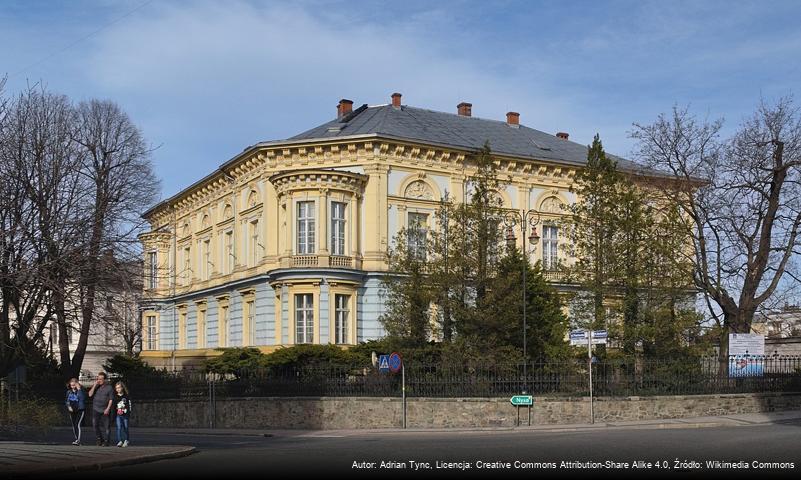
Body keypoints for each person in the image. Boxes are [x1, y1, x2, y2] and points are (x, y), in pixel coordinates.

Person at [87, 372, 114, 446]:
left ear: (105, 379)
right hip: (96, 408)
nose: (99, 380)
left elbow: (111, 399)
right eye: (98, 379)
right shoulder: (96, 386)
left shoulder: (109, 387)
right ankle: (99, 439)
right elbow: (90, 394)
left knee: (107, 427)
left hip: (105, 409)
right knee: (95, 425)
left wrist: (108, 409)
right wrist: (95, 385)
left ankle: (106, 441)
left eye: (101, 379)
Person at [64, 378, 87, 446]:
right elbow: (66, 401)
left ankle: (78, 440)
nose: (73, 387)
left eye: (74, 385)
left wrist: (79, 389)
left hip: (80, 410)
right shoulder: (69, 392)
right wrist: (69, 406)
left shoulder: (81, 391)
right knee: (74, 425)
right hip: (72, 411)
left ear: (77, 384)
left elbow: (82, 399)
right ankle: (76, 439)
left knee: (77, 424)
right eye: (71, 385)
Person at [113, 381, 132, 447]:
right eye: (117, 388)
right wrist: (114, 415)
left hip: (125, 415)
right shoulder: (115, 397)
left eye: (119, 387)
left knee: (126, 427)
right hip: (118, 415)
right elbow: (114, 406)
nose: (118, 389)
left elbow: (129, 405)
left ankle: (126, 440)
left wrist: (128, 412)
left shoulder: (126, 396)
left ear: (122, 388)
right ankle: (120, 441)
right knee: (119, 427)